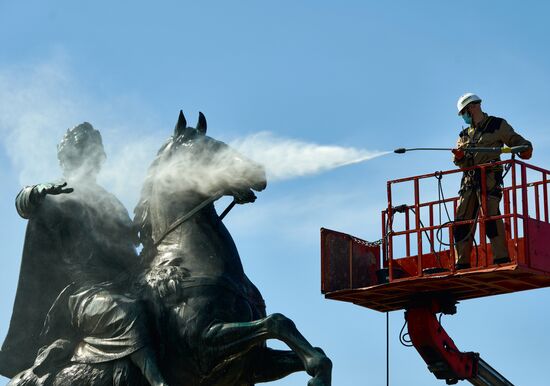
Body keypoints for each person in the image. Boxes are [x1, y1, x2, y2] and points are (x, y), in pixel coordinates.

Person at [0, 123, 167, 386]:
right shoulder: (56, 192)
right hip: (83, 294)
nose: (95, 157)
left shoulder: (109, 201)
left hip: (125, 283)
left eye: (96, 152)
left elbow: (131, 238)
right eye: (87, 150)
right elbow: (24, 203)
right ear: (71, 157)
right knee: (126, 313)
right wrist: (34, 193)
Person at [451, 93, 533, 269]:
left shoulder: (497, 125)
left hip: (489, 179)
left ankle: (501, 258)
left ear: (472, 108)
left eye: (464, 113)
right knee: (461, 221)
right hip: (469, 183)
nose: (464, 117)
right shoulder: (464, 135)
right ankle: (461, 262)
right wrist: (459, 157)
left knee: (490, 217)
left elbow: (521, 143)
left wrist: (525, 149)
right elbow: (462, 162)